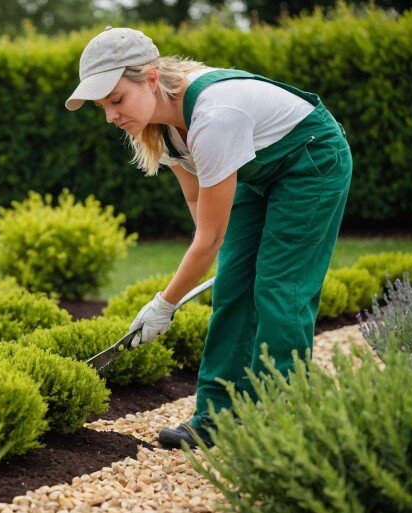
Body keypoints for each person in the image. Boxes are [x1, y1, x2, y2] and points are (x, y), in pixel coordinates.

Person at [65, 27, 352, 449]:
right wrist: (224, 259)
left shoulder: (214, 116)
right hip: (260, 174)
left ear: (149, 77)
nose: (110, 116)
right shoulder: (160, 128)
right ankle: (216, 416)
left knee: (279, 289)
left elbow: (210, 238)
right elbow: (202, 210)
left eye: (116, 100)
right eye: (102, 106)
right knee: (234, 287)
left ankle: (280, 426)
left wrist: (164, 305)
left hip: (312, 161)